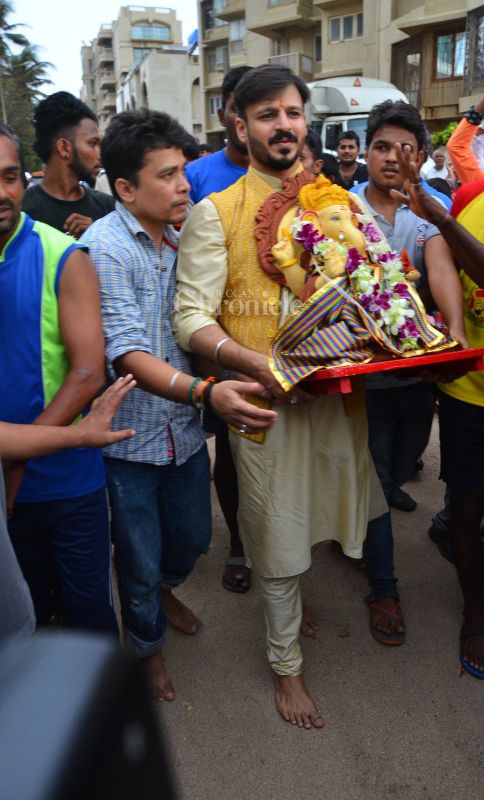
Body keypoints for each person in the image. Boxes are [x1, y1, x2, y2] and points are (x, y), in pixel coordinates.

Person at [175, 63, 399, 730]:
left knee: (336, 510)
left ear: (308, 123)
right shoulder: (215, 212)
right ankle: (287, 667)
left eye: (293, 112)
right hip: (264, 405)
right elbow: (191, 316)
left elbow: (381, 286)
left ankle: (319, 607)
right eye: (267, 114)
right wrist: (254, 362)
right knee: (274, 535)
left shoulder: (341, 202)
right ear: (240, 127)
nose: (284, 124)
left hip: (338, 397)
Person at [81, 108, 276, 702]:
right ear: (125, 188)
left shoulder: (185, 235)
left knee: (191, 540)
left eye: (183, 172)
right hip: (129, 443)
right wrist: (206, 391)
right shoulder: (104, 249)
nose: (184, 185)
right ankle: (146, 647)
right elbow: (127, 352)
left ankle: (164, 593)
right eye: (166, 175)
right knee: (137, 560)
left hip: (184, 434)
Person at [390, 86, 484, 706]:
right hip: (470, 391)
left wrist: (438, 216)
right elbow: (438, 274)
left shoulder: (456, 207)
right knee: (466, 504)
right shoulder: (472, 197)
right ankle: (473, 606)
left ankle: (480, 565)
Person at [0, 123, 118, 637]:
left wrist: (17, 459)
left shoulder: (63, 255)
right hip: (6, 483)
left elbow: (89, 372)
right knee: (26, 617)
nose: (1, 193)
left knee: (88, 612)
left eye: (8, 177)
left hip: (67, 480)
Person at [350, 100, 466, 512]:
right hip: (365, 367)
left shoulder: (429, 209)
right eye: (381, 147)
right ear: (367, 152)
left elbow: (442, 270)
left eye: (403, 149)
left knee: (412, 446)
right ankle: (370, 538)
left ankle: (387, 488)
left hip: (418, 366)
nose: (391, 158)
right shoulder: (342, 208)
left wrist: (457, 330)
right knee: (373, 454)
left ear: (418, 156)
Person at [185, 66, 254, 593]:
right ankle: (237, 542)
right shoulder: (200, 174)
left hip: (289, 340)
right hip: (220, 339)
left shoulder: (299, 172)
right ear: (228, 114)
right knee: (231, 449)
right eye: (239, 106)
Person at [0, 376, 136, 640]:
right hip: (23, 493)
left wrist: (81, 435)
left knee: (88, 609)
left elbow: (87, 373)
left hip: (72, 483)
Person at [22, 92, 114, 238]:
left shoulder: (108, 207)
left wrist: (96, 237)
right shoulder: (22, 212)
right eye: (92, 143)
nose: (99, 154)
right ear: (64, 148)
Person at [185, 66, 252, 204]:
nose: (246, 118)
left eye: (257, 110)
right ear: (222, 116)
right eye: (237, 109)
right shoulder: (192, 176)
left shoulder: (285, 175)